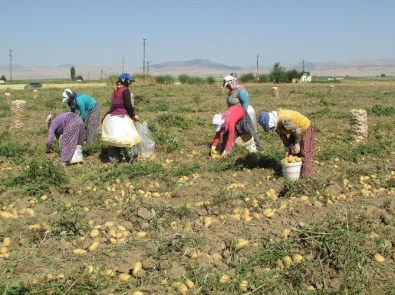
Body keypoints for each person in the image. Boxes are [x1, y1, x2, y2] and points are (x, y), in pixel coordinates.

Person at [258, 109, 315, 178]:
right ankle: (294, 172)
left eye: (271, 127)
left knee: (305, 152)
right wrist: (287, 146)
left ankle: (306, 176)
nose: (272, 129)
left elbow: (297, 131)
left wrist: (297, 143)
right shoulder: (276, 122)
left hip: (304, 128)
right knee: (292, 150)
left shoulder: (284, 120)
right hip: (295, 131)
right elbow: (282, 135)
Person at [101, 73, 140, 163]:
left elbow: (113, 106)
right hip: (121, 119)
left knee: (115, 141)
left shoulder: (115, 90)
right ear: (126, 81)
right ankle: (131, 159)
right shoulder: (125, 91)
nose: (130, 84)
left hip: (111, 119)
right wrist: (133, 116)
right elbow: (128, 106)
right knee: (129, 140)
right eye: (130, 82)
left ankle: (114, 159)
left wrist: (104, 117)